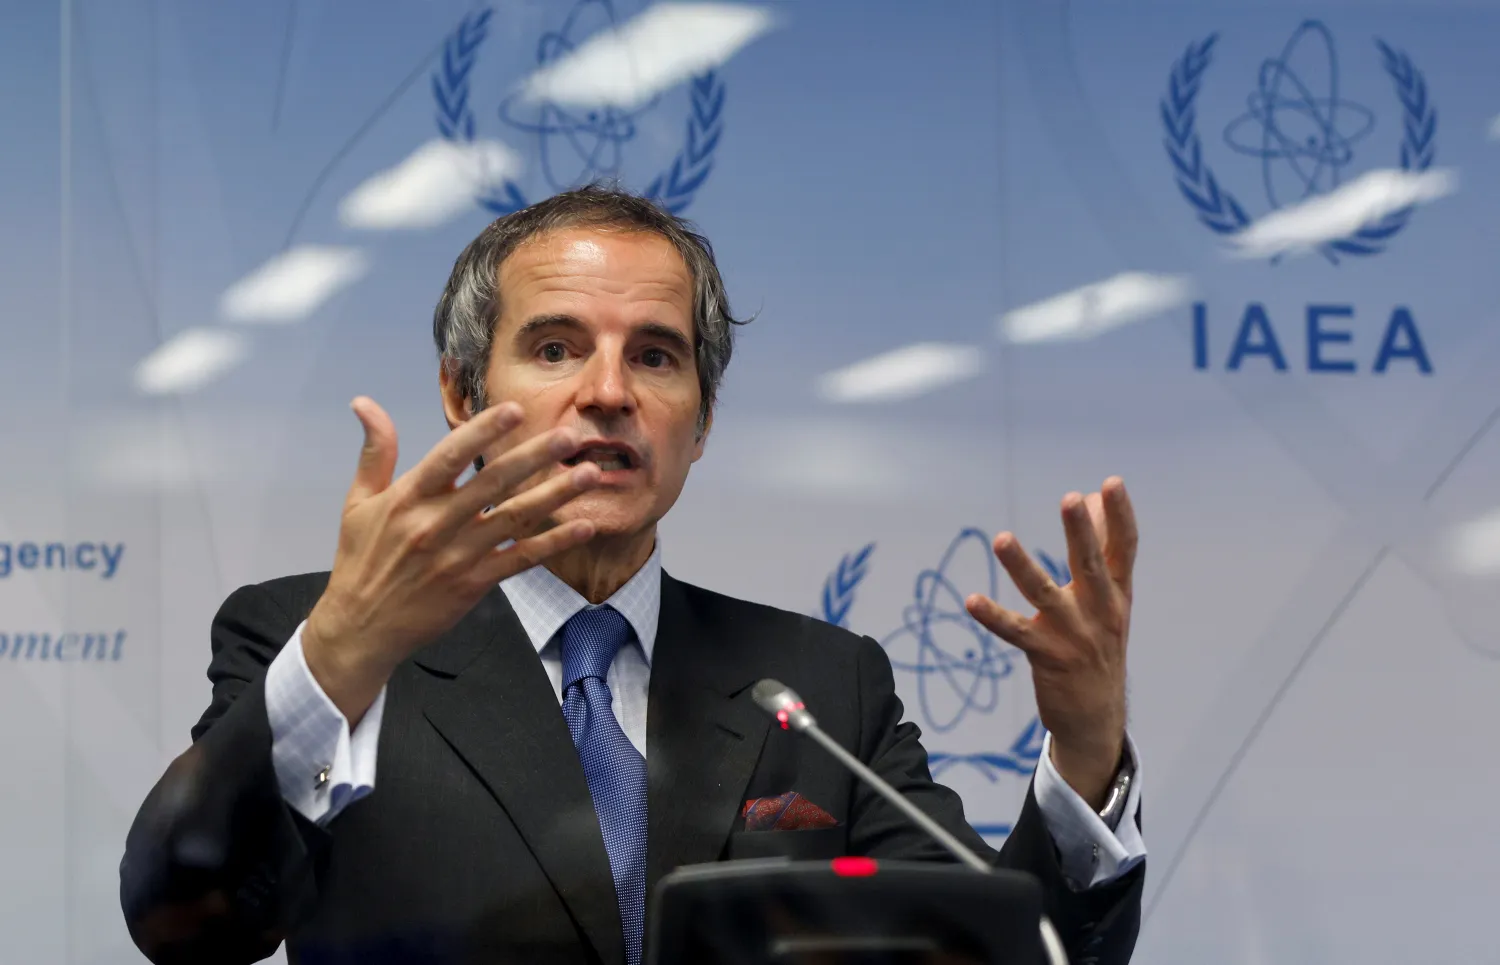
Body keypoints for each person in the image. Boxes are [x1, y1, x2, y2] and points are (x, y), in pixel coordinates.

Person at [120, 186, 1146, 965]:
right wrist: (343, 652)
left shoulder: (822, 682)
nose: (608, 392)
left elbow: (996, 952)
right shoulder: (307, 637)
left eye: (656, 357)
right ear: (460, 390)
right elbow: (185, 918)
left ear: (699, 421)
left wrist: (1089, 747)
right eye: (557, 347)